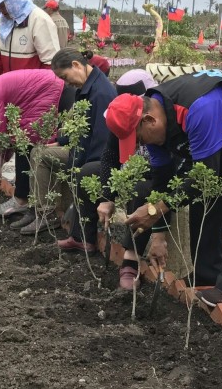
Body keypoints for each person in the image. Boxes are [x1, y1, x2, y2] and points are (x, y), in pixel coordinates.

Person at [102, 69, 222, 305]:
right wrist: (158, 234)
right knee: (205, 199)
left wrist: (155, 210)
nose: (140, 146)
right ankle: (207, 275)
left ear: (149, 121)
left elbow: (204, 178)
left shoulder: (198, 109)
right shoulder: (157, 118)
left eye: (139, 139)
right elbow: (163, 181)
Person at [10, 48, 116, 240]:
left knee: (41, 155)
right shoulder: (87, 87)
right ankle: (37, 210)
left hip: (90, 158)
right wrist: (61, 140)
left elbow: (102, 141)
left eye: (65, 77)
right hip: (80, 149)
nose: (67, 83)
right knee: (39, 150)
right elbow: (80, 126)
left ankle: (46, 213)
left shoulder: (101, 93)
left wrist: (82, 168)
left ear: (76, 65)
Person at [0, 71, 76, 212]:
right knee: (23, 140)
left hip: (51, 91)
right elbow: (5, 134)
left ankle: (23, 201)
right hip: (51, 89)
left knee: (27, 141)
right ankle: (29, 199)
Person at [96, 70, 162, 290]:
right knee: (88, 171)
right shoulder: (123, 114)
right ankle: (85, 236)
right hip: (128, 171)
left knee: (141, 189)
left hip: (155, 176)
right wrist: (107, 197)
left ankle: (130, 259)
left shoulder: (158, 120)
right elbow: (109, 156)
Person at [0, 0, 60, 78]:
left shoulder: (39, 20)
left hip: (33, 88)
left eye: (3, 5)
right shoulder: (2, 21)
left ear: (13, 0)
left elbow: (50, 63)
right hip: (10, 86)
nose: (0, 10)